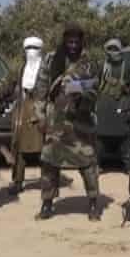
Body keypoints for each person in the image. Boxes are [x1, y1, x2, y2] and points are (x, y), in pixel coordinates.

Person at [34, 23, 102, 222]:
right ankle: (47, 203)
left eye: (76, 42)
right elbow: (41, 90)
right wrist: (40, 116)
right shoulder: (51, 59)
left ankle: (93, 204)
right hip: (55, 122)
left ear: (81, 42)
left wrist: (84, 95)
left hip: (80, 122)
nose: (73, 46)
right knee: (49, 163)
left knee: (88, 164)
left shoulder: (89, 62)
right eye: (69, 42)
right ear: (64, 41)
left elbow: (96, 89)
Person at [6, 36, 46, 195]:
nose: (31, 52)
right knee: (19, 148)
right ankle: (17, 181)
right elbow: (15, 87)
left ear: (40, 50)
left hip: (39, 110)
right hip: (22, 109)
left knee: (43, 148)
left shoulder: (45, 68)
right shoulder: (23, 67)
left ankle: (47, 181)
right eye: (28, 48)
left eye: (34, 48)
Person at [95, 38, 130, 173]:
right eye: (110, 49)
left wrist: (127, 91)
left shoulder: (128, 66)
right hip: (104, 107)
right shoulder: (102, 66)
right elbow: (95, 85)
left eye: (116, 49)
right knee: (99, 139)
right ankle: (96, 165)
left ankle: (129, 167)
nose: (113, 52)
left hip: (121, 106)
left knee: (125, 139)